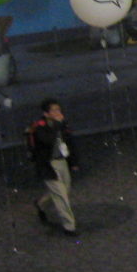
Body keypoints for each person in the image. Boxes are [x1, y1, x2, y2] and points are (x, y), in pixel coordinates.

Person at [31, 98, 79, 238]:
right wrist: (58, 125)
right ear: (46, 113)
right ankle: (69, 226)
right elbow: (47, 140)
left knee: (65, 190)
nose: (58, 112)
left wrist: (74, 162)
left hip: (62, 161)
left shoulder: (62, 125)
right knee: (61, 196)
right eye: (54, 110)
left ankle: (41, 204)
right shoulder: (39, 127)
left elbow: (69, 142)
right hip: (49, 165)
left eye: (59, 109)